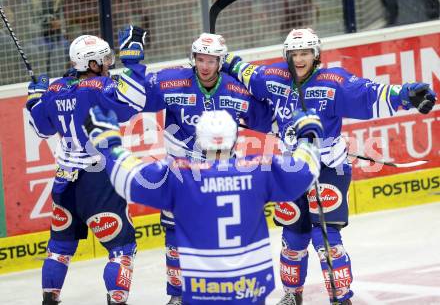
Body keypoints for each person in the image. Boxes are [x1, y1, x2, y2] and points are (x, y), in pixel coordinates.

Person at [222, 28, 437, 304]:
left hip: (328, 168)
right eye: (294, 54)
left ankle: (341, 297)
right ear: (287, 55)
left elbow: (370, 94)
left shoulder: (334, 82)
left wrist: (407, 95)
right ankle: (291, 294)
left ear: (316, 55)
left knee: (325, 237)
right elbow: (244, 71)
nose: (299, 59)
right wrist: (222, 62)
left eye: (305, 53)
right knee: (293, 237)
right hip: (291, 169)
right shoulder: (272, 77)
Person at [83, 106, 323, 305]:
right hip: (250, 286)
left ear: (200, 139)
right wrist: (308, 138)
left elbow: (129, 180)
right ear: (235, 138)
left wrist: (109, 145)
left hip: (201, 288)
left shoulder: (181, 175)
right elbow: (305, 172)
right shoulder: (259, 169)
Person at [116, 26, 273, 305]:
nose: (204, 65)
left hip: (221, 174)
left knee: (223, 234)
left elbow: (263, 119)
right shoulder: (172, 80)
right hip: (181, 174)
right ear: (193, 58)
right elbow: (136, 97)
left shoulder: (235, 88)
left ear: (220, 62)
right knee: (175, 236)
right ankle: (178, 295)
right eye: (200, 59)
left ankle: (231, 287)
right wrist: (132, 63)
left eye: (211, 60)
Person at [26, 35, 138, 305]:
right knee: (122, 249)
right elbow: (129, 109)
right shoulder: (102, 85)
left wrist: (34, 98)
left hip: (64, 181)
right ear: (90, 62)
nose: (108, 64)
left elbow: (42, 128)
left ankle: (49, 299)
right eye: (104, 59)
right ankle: (117, 300)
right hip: (98, 180)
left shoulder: (54, 90)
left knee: (59, 248)